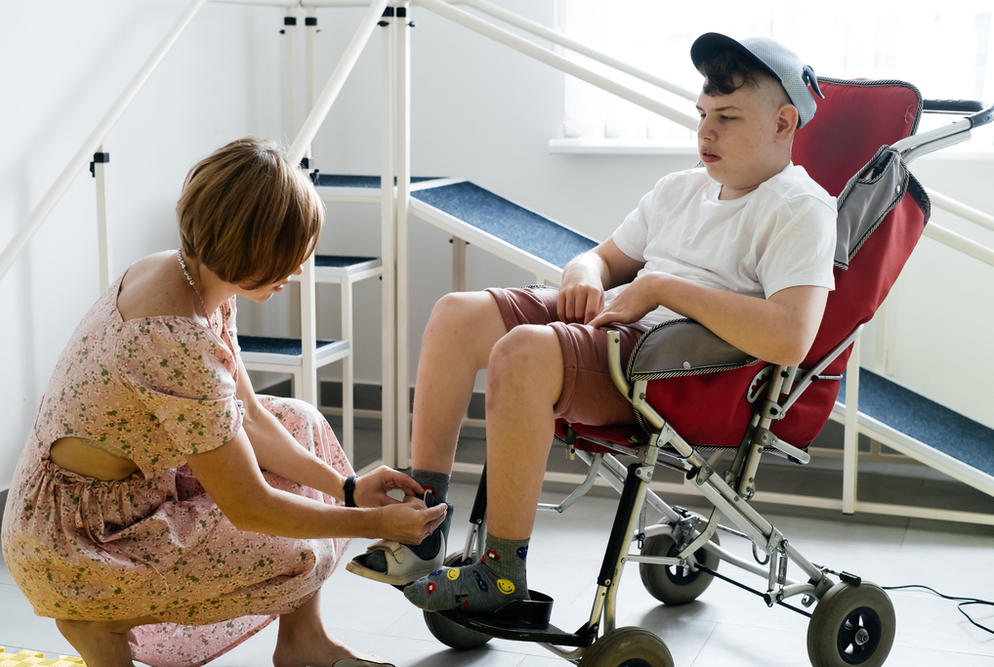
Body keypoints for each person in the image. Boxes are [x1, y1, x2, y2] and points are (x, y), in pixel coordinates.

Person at [346, 33, 838, 616]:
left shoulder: (799, 207)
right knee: (457, 314)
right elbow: (603, 258)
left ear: (784, 123)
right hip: (622, 333)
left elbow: (790, 335)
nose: (705, 133)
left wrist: (656, 287)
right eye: (702, 115)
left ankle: (502, 574)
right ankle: (424, 521)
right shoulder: (681, 189)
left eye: (727, 118)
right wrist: (583, 271)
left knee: (523, 352)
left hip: (675, 371)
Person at [0, 137, 448, 667]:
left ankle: (305, 645)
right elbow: (251, 507)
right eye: (288, 257)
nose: (298, 271)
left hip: (133, 488)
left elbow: (250, 415)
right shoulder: (172, 336)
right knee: (304, 554)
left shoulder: (190, 276)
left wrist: (346, 489)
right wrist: (375, 525)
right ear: (250, 249)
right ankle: (98, 617)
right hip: (80, 540)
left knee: (297, 421)